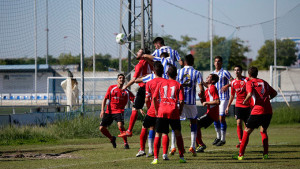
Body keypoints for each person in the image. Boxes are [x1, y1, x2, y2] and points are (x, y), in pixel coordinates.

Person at [233, 66, 277, 160]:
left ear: (249, 74)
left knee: (246, 131)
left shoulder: (250, 82)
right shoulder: (264, 82)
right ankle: (265, 154)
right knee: (263, 131)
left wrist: (245, 101)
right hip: (268, 111)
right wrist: (266, 100)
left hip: (257, 111)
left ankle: (240, 155)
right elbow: (274, 93)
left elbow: (249, 94)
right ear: (257, 74)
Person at [169, 54, 204, 156]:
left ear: (184, 62)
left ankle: (172, 146)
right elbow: (201, 89)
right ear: (193, 62)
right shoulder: (197, 73)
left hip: (180, 101)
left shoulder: (179, 72)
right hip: (191, 101)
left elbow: (173, 84)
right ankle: (192, 146)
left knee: (175, 123)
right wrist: (202, 95)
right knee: (193, 122)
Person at [151, 65, 186, 164]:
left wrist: (157, 109)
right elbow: (182, 100)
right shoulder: (178, 85)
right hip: (173, 111)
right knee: (178, 133)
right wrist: (180, 110)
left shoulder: (161, 83)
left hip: (162, 111)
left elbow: (154, 98)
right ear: (176, 74)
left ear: (167, 74)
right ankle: (182, 157)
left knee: (158, 134)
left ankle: (155, 158)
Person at [119, 49, 153, 137]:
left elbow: (134, 79)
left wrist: (125, 86)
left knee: (135, 108)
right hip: (153, 87)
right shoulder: (151, 63)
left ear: (143, 55)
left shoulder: (140, 64)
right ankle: (153, 128)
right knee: (152, 109)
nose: (136, 53)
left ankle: (129, 130)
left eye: (139, 52)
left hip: (144, 87)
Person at [136, 61, 164, 158]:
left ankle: (145, 149)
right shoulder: (166, 82)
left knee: (145, 127)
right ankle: (164, 153)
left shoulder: (149, 82)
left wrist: (148, 107)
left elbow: (147, 98)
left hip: (152, 109)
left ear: (153, 71)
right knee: (161, 131)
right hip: (164, 109)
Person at [99, 74, 135, 149]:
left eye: (123, 78)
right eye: (120, 78)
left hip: (119, 111)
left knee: (120, 125)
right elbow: (105, 99)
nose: (121, 79)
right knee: (101, 128)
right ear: (117, 80)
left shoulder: (126, 92)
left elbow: (133, 100)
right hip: (109, 111)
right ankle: (112, 138)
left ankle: (126, 143)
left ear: (124, 81)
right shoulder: (112, 88)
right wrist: (102, 110)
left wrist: (139, 108)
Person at [225, 65, 251, 148]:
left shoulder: (246, 80)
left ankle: (245, 141)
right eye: (235, 70)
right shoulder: (233, 83)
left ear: (241, 71)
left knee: (246, 126)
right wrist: (228, 107)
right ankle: (240, 141)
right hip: (238, 105)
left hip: (247, 106)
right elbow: (232, 96)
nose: (236, 72)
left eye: (238, 70)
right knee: (238, 122)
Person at [211, 56, 233, 146]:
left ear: (221, 63)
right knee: (215, 118)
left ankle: (223, 139)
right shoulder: (212, 74)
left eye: (219, 61)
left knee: (221, 118)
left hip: (224, 98)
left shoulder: (225, 72)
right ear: (214, 63)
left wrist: (227, 86)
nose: (217, 63)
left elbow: (234, 82)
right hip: (215, 99)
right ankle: (218, 137)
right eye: (216, 61)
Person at [196, 74, 220, 152]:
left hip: (212, 114)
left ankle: (201, 144)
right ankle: (198, 146)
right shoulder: (208, 89)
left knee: (194, 124)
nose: (207, 77)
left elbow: (217, 101)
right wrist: (201, 98)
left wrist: (206, 102)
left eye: (209, 77)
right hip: (210, 113)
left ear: (212, 81)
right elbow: (204, 102)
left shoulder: (213, 88)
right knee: (195, 125)